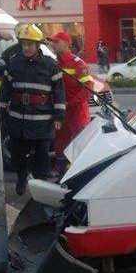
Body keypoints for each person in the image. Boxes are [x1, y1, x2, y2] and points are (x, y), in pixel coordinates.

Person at [0, 24, 66, 195]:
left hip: (42, 121)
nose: (26, 47)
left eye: (30, 44)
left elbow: (59, 91)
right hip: (18, 120)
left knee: (41, 158)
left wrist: (59, 116)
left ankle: (40, 188)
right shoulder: (13, 62)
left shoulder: (50, 65)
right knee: (17, 155)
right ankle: (22, 178)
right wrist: (1, 112)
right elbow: (5, 89)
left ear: (37, 45)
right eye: (24, 44)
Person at [49, 32, 93, 174]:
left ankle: (80, 173)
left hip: (77, 113)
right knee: (60, 143)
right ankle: (61, 172)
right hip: (61, 112)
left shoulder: (77, 63)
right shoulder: (53, 63)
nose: (53, 44)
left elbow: (88, 87)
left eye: (56, 41)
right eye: (52, 42)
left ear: (67, 44)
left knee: (78, 143)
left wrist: (70, 103)